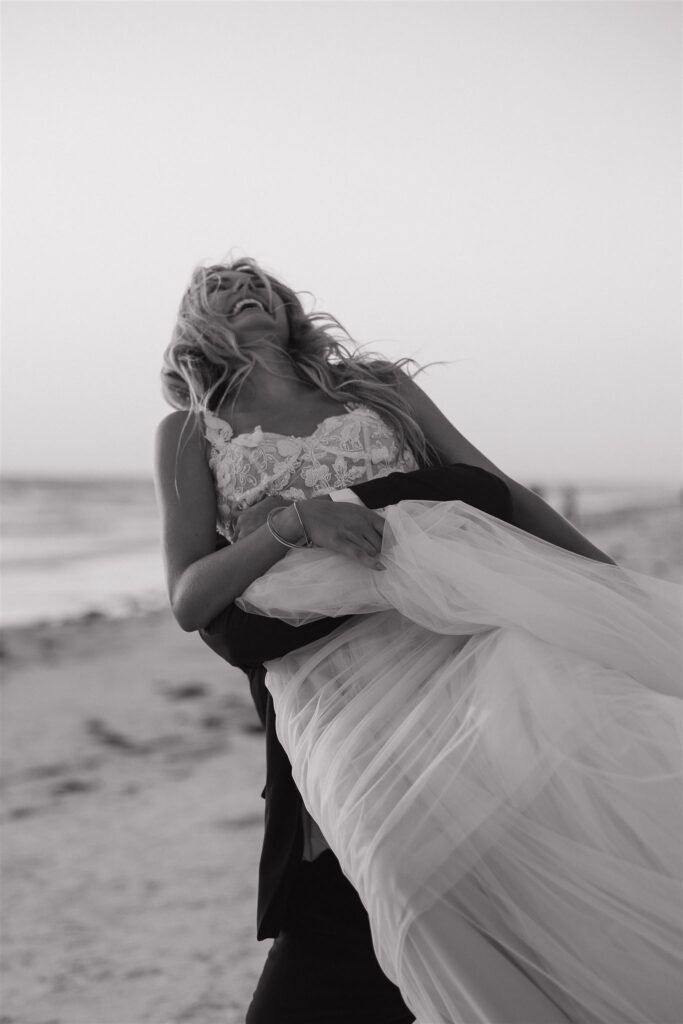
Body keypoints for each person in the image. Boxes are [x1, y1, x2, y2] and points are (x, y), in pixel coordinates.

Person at [155, 257, 682, 1023]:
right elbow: (190, 596)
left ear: (289, 309)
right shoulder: (188, 433)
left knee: (587, 777)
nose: (248, 293)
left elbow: (489, 487)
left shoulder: (374, 388)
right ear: (193, 323)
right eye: (224, 288)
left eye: (262, 286)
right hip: (329, 676)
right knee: (400, 868)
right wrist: (297, 521)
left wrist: (607, 585)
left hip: (453, 632)